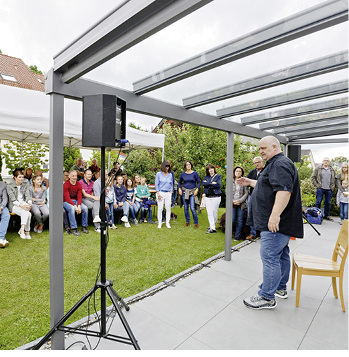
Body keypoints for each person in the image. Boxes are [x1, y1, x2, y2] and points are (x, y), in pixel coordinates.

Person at [237, 136, 303, 310]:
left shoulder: (280, 164)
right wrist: (250, 182)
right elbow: (269, 185)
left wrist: (274, 216)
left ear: (275, 147)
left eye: (263, 148)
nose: (261, 151)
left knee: (269, 256)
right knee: (281, 255)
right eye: (260, 149)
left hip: (275, 223)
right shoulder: (277, 163)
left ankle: (267, 297)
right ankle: (280, 288)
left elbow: (283, 191)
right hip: (279, 222)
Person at [6, 168, 32, 239]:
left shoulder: (24, 185)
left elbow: (28, 196)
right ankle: (25, 231)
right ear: (15, 178)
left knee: (27, 213)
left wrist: (29, 203)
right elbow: (13, 199)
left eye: (22, 177)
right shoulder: (9, 186)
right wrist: (22, 206)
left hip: (23, 203)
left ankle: (23, 230)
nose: (22, 179)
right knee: (27, 213)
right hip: (14, 205)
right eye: (19, 177)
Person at [63, 170, 89, 236]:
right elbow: (67, 198)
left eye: (76, 176)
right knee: (72, 208)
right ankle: (74, 228)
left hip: (76, 201)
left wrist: (79, 206)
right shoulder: (65, 185)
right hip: (65, 202)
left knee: (85, 208)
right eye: (73, 176)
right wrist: (75, 206)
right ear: (69, 177)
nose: (74, 177)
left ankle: (84, 226)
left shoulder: (79, 184)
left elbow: (79, 196)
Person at [178, 161, 201, 228]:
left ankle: (196, 222)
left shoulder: (195, 173)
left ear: (191, 165)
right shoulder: (182, 174)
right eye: (187, 165)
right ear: (185, 166)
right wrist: (179, 189)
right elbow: (179, 182)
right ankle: (187, 221)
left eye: (189, 164)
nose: (188, 166)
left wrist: (197, 189)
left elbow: (199, 182)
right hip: (184, 192)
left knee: (192, 208)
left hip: (192, 192)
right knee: (185, 208)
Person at [246, 157, 264, 239]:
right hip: (252, 195)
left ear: (262, 162)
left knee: (261, 214)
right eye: (255, 163)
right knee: (251, 214)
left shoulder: (266, 171)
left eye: (258, 162)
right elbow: (247, 182)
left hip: (262, 197)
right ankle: (252, 233)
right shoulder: (252, 172)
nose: (257, 164)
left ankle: (262, 233)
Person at [202, 164, 222, 233]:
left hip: (216, 196)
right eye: (209, 169)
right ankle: (212, 228)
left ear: (214, 169)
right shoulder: (206, 177)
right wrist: (212, 183)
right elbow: (204, 184)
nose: (211, 170)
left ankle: (213, 225)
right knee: (209, 212)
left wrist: (208, 183)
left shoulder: (218, 176)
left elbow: (218, 185)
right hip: (208, 197)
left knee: (214, 212)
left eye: (212, 168)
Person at [232, 166, 249, 241]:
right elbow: (227, 191)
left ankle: (237, 236)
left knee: (239, 220)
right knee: (232, 220)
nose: (238, 172)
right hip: (232, 203)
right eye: (236, 171)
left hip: (241, 204)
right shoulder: (231, 181)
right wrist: (232, 200)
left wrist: (239, 201)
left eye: (239, 171)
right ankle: (230, 234)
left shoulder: (244, 181)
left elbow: (246, 193)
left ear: (242, 173)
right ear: (234, 172)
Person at [155, 161, 173, 229]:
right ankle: (159, 222)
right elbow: (156, 184)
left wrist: (171, 191)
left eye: (168, 167)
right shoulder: (158, 174)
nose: (167, 168)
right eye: (166, 167)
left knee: (168, 208)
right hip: (160, 192)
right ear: (163, 167)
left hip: (168, 193)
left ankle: (167, 223)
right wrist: (158, 193)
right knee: (160, 208)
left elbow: (171, 183)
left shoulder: (170, 175)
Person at [0, 181, 10, 248]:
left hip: (1, 206)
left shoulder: (2, 184)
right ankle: (2, 239)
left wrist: (1, 207)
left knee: (6, 215)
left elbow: (5, 198)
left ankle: (1, 237)